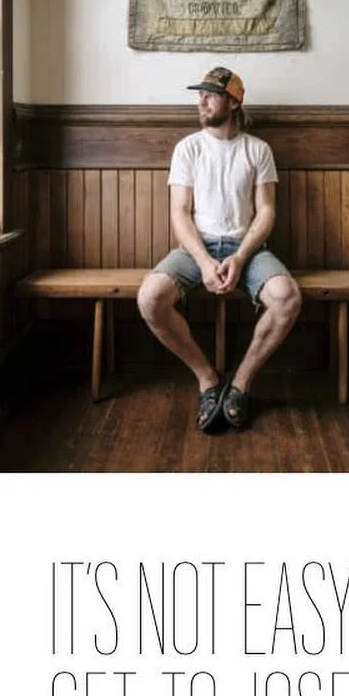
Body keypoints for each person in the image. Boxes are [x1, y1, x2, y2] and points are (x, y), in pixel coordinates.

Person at [137, 67, 301, 431]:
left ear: (234, 101)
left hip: (248, 248)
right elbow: (179, 213)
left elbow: (267, 211)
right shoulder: (188, 148)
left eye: (211, 94)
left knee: (287, 298)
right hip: (197, 246)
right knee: (150, 298)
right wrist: (205, 261)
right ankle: (208, 379)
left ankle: (240, 385)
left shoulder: (258, 150)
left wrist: (240, 257)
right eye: (201, 94)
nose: (202, 101)